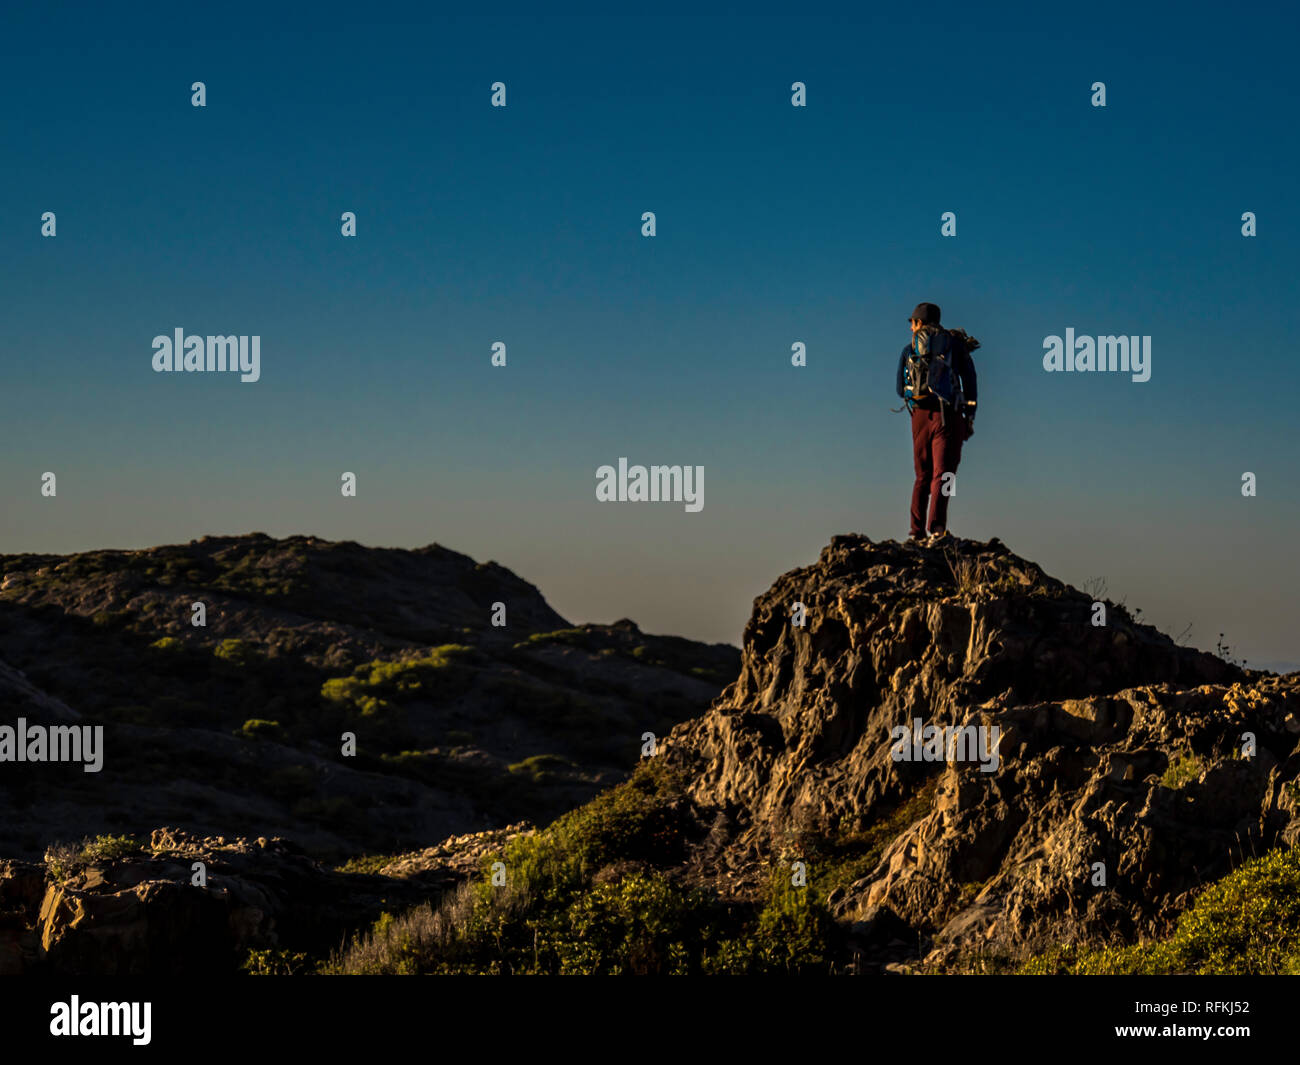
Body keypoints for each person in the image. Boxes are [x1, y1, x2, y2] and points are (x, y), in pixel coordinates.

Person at [895, 302, 978, 544]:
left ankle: (916, 532)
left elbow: (900, 390)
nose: (911, 327)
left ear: (919, 323)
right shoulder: (954, 346)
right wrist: (970, 416)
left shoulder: (907, 350)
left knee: (922, 475)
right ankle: (938, 528)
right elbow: (971, 381)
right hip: (948, 416)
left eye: (912, 322)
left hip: (919, 416)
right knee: (946, 474)